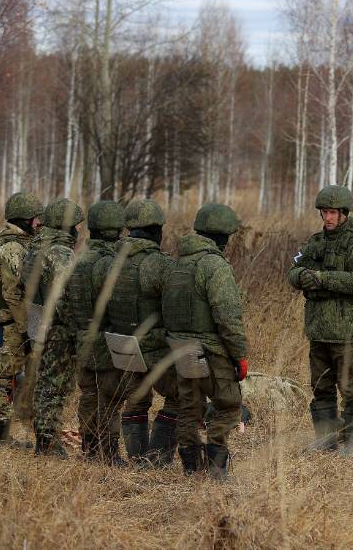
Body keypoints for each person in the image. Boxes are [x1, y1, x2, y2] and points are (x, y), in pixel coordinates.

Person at [287, 185, 353, 456]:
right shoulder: (315, 242)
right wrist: (302, 277)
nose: (327, 217)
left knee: (350, 387)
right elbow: (294, 270)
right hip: (318, 329)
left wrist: (322, 280)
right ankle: (326, 438)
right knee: (321, 386)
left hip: (347, 330)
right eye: (324, 212)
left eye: (333, 213)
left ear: (344, 214)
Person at [163, 203, 247, 479]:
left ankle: (190, 467)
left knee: (189, 408)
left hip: (181, 349)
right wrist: (239, 355)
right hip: (212, 351)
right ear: (221, 236)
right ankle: (216, 468)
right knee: (229, 406)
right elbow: (227, 316)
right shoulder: (214, 265)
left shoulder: (177, 264)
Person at [101, 198, 180, 467]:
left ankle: (137, 459)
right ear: (156, 230)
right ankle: (157, 459)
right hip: (155, 346)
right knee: (181, 397)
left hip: (121, 344)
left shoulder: (109, 261)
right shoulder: (159, 264)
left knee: (135, 400)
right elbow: (175, 306)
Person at [25, 197, 84, 456]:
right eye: (75, 226)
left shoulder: (35, 248)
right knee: (55, 386)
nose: (78, 231)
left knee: (44, 383)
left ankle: (44, 438)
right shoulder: (60, 253)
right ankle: (47, 442)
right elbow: (66, 296)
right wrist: (79, 330)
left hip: (37, 323)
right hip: (58, 328)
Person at [0, 191, 44, 448]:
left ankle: (2, 437)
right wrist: (27, 330)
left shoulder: (12, 243)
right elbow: (13, 294)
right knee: (7, 380)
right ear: (23, 220)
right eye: (34, 219)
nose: (38, 223)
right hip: (12, 325)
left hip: (11, 323)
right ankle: (0, 440)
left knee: (10, 378)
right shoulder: (12, 248)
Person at [70, 199, 127, 465]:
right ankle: (110, 451)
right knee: (111, 398)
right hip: (106, 340)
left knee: (89, 395)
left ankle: (90, 447)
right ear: (115, 229)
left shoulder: (77, 259)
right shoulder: (109, 263)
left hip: (82, 339)